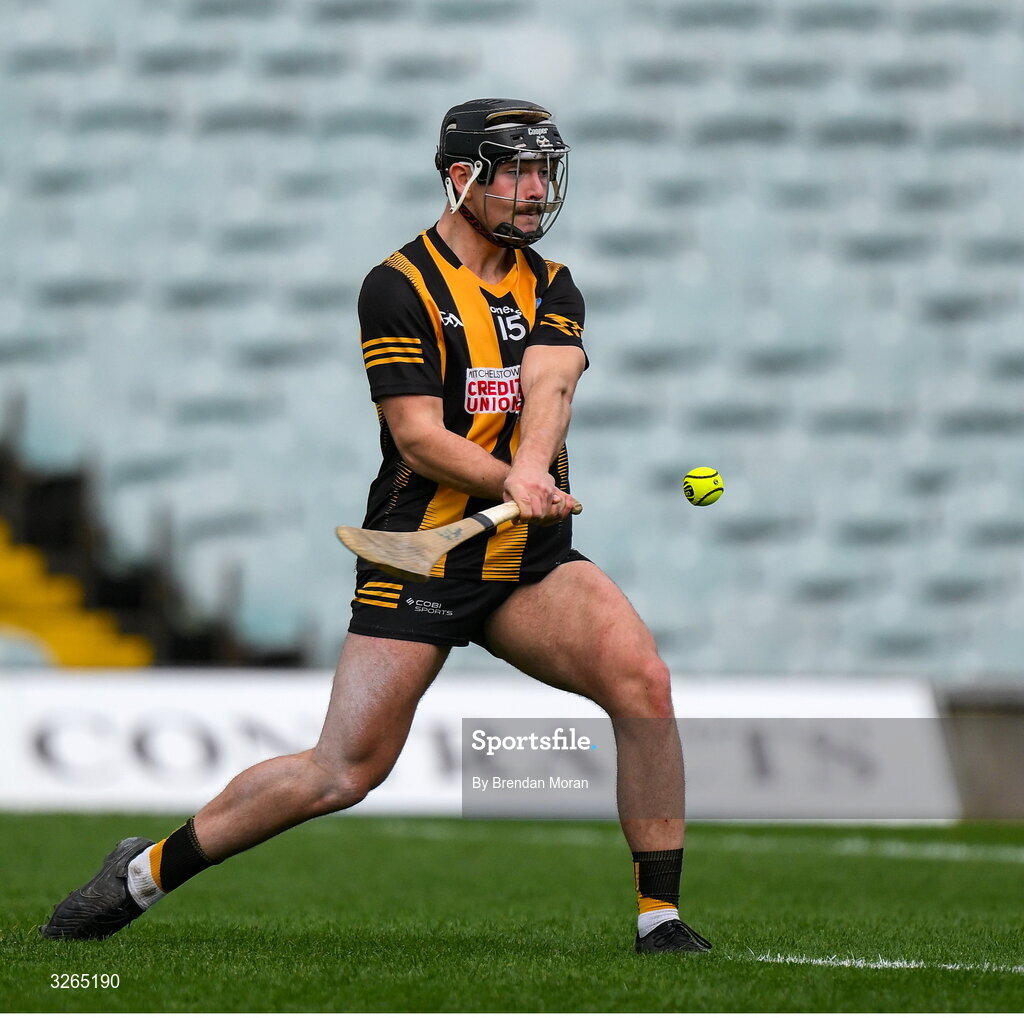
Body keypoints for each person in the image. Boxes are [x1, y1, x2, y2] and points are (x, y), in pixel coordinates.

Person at [40, 98, 711, 955]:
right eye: (518, 169)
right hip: (421, 555)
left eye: (546, 169)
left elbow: (551, 386)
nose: (538, 189)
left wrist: (532, 469)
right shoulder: (397, 285)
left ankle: (660, 919)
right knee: (344, 771)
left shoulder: (553, 281)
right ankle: (142, 873)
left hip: (530, 560)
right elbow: (419, 436)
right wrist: (514, 474)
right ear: (459, 176)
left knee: (643, 683)